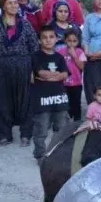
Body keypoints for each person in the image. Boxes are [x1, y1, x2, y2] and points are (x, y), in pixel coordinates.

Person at [0, 0, 39, 147]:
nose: (14, 5)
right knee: (0, 100)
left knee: (25, 100)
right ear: (3, 6)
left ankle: (26, 134)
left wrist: (34, 70)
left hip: (23, 66)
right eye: (10, 3)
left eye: (15, 3)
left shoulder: (25, 24)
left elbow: (34, 48)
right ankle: (3, 134)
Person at [31, 26, 70, 160]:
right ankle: (40, 154)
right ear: (39, 41)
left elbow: (64, 74)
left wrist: (52, 76)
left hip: (60, 97)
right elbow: (41, 73)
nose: (48, 40)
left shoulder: (59, 57)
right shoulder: (36, 56)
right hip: (42, 98)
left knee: (61, 127)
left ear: (57, 39)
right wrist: (55, 75)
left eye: (51, 37)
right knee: (41, 128)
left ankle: (58, 152)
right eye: (44, 37)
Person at [58, 29, 87, 121]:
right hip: (64, 83)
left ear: (78, 41)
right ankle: (68, 119)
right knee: (66, 102)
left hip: (76, 83)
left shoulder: (80, 52)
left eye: (74, 41)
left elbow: (82, 67)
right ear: (65, 40)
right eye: (69, 41)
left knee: (76, 102)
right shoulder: (60, 52)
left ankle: (77, 119)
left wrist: (74, 56)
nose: (71, 43)